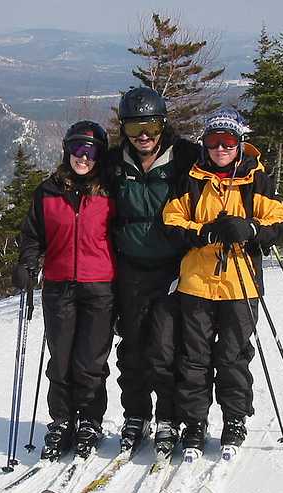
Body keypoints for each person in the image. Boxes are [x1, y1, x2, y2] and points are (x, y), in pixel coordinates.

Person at [162, 107, 283, 456]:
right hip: (197, 285)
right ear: (205, 144)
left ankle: (235, 418)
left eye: (228, 141)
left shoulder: (256, 178)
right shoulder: (192, 178)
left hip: (241, 285)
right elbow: (172, 221)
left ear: (239, 143)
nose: (221, 148)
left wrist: (250, 229)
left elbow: (278, 223)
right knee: (194, 358)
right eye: (214, 141)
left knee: (233, 357)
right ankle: (195, 422)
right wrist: (201, 233)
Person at [12, 120, 116, 460]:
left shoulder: (110, 192)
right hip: (58, 286)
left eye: (90, 151)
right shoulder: (48, 192)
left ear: (100, 155)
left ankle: (88, 419)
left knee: (89, 360)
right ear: (66, 151)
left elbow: (125, 236)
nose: (82, 157)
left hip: (99, 285)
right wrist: (28, 264)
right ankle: (61, 420)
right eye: (76, 149)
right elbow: (32, 235)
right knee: (61, 360)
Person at [110, 87, 200, 456]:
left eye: (148, 125)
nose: (142, 136)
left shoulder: (185, 157)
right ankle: (136, 415)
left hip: (171, 268)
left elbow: (222, 176)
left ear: (163, 123)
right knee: (131, 346)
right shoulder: (114, 162)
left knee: (165, 347)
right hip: (130, 268)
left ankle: (168, 416)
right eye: (133, 128)